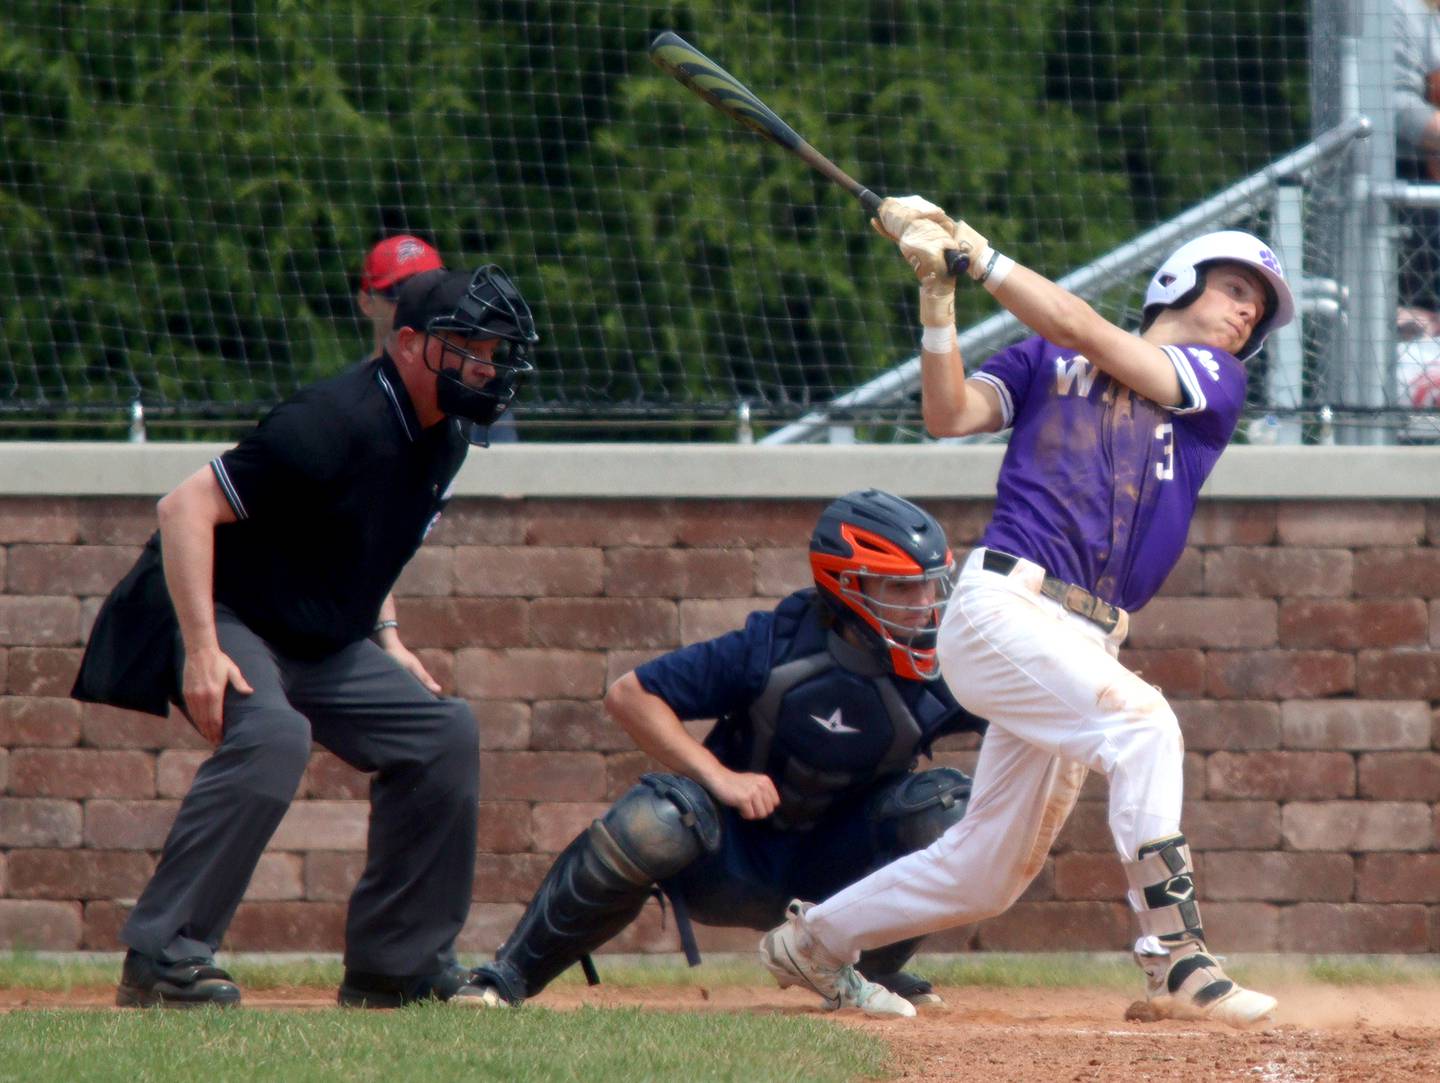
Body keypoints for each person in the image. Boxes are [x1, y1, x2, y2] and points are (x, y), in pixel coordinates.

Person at [758, 197, 1295, 1029]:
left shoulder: (1215, 383)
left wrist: (985, 257)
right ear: (1179, 281)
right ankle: (1177, 959)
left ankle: (814, 941)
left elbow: (1086, 328)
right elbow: (948, 415)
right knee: (1144, 726)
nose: (1245, 311)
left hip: (1088, 635)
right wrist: (940, 300)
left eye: (1255, 308)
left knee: (988, 869)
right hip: (1005, 605)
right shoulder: (1047, 358)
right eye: (1234, 289)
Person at [72, 264, 539, 1008]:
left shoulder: (445, 436)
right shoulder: (333, 420)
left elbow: (368, 535)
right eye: (469, 349)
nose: (484, 367)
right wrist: (202, 648)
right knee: (273, 736)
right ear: (410, 343)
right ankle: (165, 958)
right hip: (219, 605)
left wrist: (388, 635)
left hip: (317, 634)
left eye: (492, 353)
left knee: (443, 732)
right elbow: (183, 508)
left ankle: (397, 966)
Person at [468, 489, 986, 1018]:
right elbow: (630, 695)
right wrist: (719, 776)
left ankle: (871, 967)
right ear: (846, 585)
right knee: (660, 815)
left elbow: (1020, 725)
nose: (923, 603)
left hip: (845, 870)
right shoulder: (774, 645)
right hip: (736, 859)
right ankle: (507, 978)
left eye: (929, 584)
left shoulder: (945, 667)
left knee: (953, 811)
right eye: (901, 586)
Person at [357, 234, 445, 361]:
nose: (418, 306)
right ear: (366, 303)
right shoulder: (347, 381)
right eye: (404, 294)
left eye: (430, 293)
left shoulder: (469, 378)